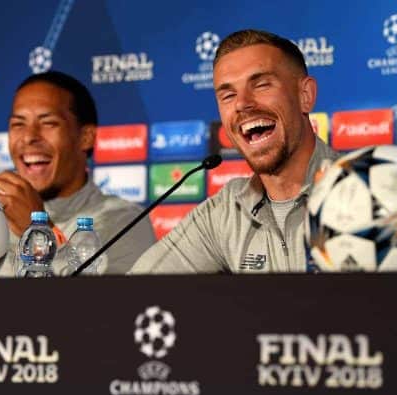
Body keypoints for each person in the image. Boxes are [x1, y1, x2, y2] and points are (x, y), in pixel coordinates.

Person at [129, 29, 337, 274]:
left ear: (305, 96)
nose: (241, 104)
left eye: (260, 85)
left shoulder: (370, 188)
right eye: (228, 95)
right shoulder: (225, 212)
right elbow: (133, 293)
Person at [0, 71, 155, 276]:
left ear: (86, 137)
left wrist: (37, 231)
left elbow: (110, 305)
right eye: (18, 124)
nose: (29, 137)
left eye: (48, 123)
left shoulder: (125, 221)